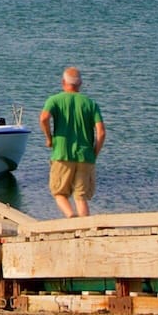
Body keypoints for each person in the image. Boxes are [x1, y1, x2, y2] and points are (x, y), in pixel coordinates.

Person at [40, 66, 106, 218]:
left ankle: (70, 216)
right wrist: (94, 152)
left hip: (62, 154)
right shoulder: (91, 104)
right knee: (80, 196)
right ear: (80, 84)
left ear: (63, 82)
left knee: (59, 193)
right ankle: (84, 227)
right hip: (85, 155)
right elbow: (101, 132)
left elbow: (44, 118)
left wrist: (49, 138)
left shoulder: (54, 100)